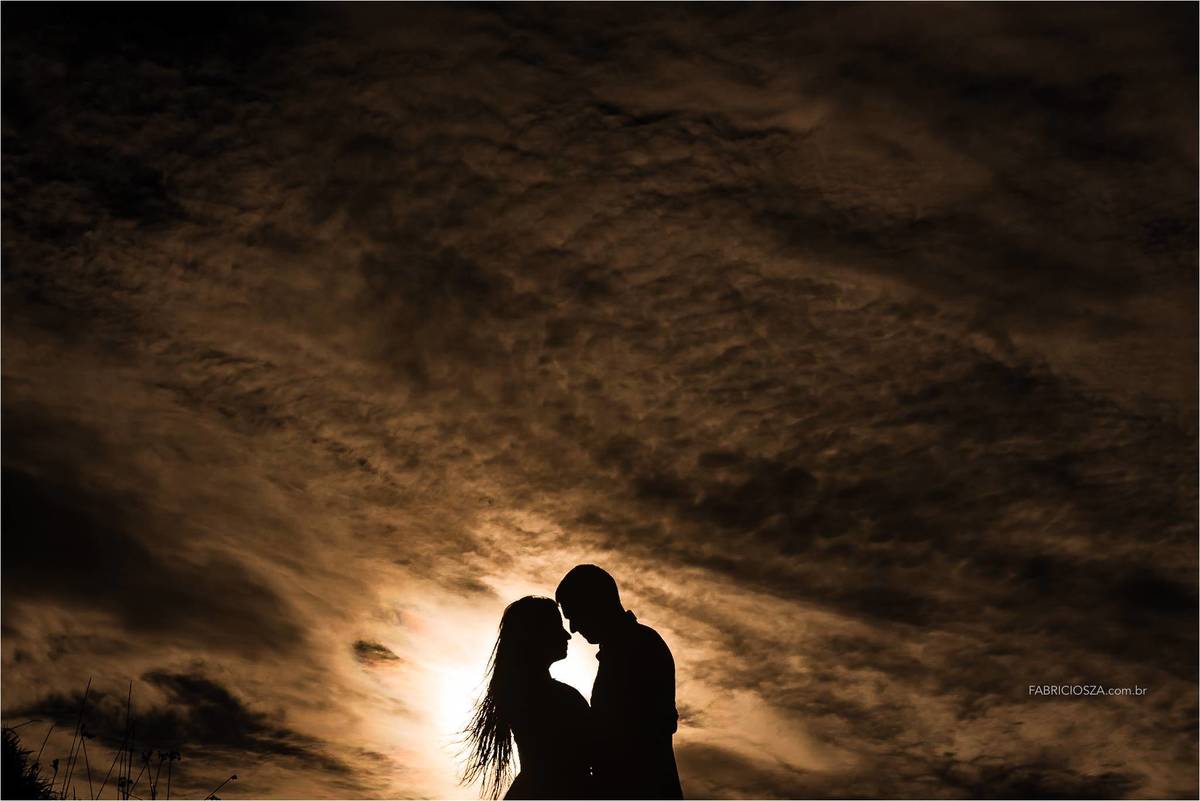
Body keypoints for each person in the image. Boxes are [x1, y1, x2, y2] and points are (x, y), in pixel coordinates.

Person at [556, 565, 683, 799]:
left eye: (573, 614)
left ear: (593, 604)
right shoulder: (627, 647)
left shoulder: (638, 647)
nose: (573, 629)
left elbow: (632, 735)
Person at [461, 596, 593, 800]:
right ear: (538, 634)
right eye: (557, 627)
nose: (567, 635)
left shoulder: (521, 695)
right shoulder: (558, 699)